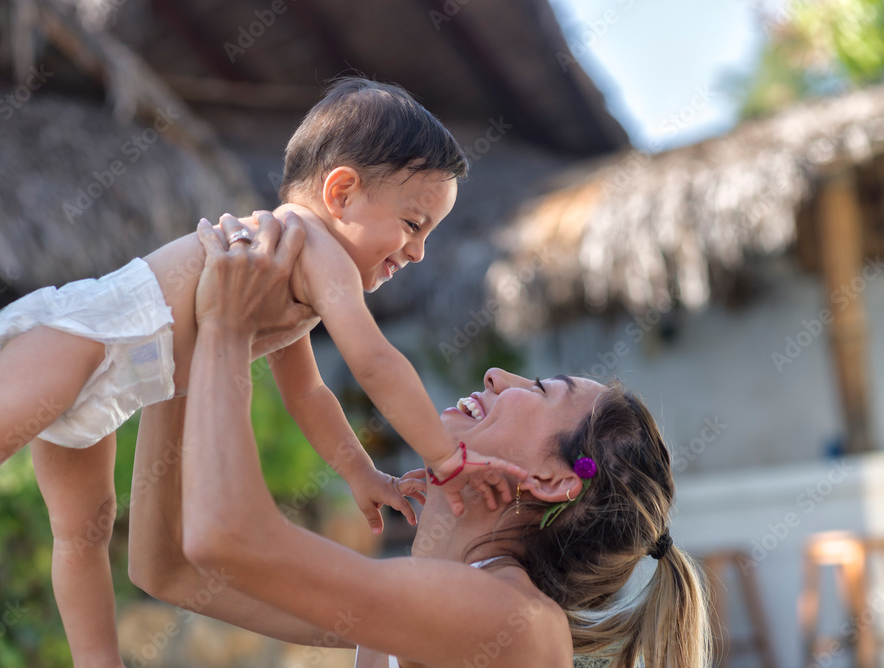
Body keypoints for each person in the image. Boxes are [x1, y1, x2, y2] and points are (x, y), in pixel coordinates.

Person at [0, 78, 523, 667]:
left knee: (85, 533)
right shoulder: (309, 244)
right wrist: (446, 459)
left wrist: (361, 470)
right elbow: (375, 361)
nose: (417, 251)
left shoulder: (286, 277)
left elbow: (308, 390)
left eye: (429, 236)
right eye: (413, 225)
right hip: (78, 336)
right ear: (341, 192)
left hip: (110, 391)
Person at [126, 216, 713, 667]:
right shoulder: (416, 603)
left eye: (536, 388)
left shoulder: (515, 619)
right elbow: (168, 568)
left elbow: (225, 538)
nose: (495, 377)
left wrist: (226, 329)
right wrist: (183, 342)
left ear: (554, 480)